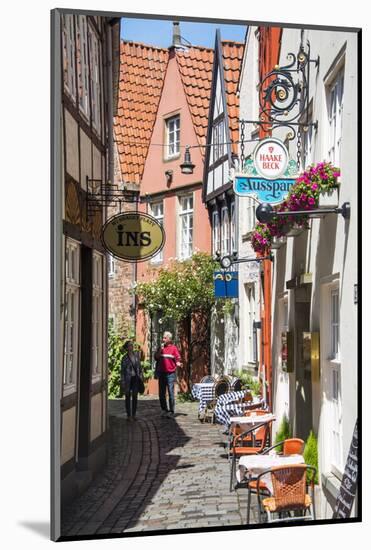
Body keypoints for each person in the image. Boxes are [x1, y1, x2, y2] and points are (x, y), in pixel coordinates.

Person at [154, 331, 181, 418]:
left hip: (170, 374)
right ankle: (164, 410)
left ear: (169, 339)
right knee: (161, 393)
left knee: (170, 393)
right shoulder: (160, 348)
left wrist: (178, 363)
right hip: (161, 374)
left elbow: (177, 358)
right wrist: (160, 350)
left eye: (165, 338)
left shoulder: (173, 348)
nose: (163, 339)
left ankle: (171, 411)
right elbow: (156, 357)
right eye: (163, 338)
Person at [120, 340, 143, 421]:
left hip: (135, 379)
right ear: (127, 348)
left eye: (132, 345)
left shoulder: (136, 356)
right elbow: (122, 371)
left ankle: (134, 415)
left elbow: (139, 368)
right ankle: (128, 415)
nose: (131, 346)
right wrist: (122, 381)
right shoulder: (124, 358)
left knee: (135, 396)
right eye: (130, 345)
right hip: (127, 379)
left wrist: (141, 377)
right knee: (127, 397)